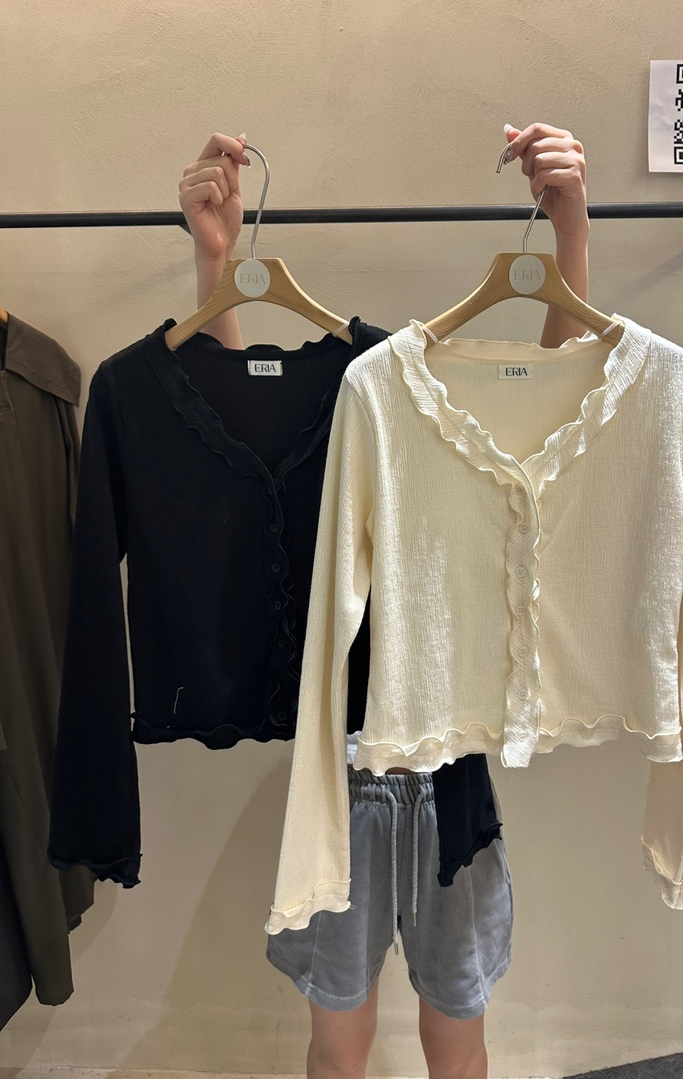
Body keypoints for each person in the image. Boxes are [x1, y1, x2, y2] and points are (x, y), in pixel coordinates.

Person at [178, 122, 591, 1079]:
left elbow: (550, 420)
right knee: (341, 1043)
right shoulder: (339, 415)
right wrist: (216, 269)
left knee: (458, 1037)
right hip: (343, 778)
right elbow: (238, 436)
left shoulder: (425, 408)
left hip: (454, 772)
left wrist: (571, 236)